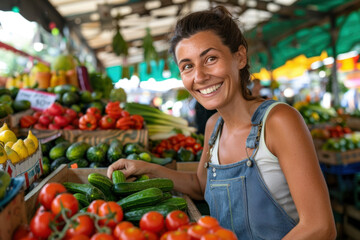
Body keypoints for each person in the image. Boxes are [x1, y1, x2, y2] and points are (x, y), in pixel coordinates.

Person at [108, 6, 336, 239]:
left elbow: (320, 227)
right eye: (187, 66)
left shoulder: (278, 121)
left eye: (210, 59)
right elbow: (200, 186)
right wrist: (147, 168)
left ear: (240, 57)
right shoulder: (214, 126)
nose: (199, 76)